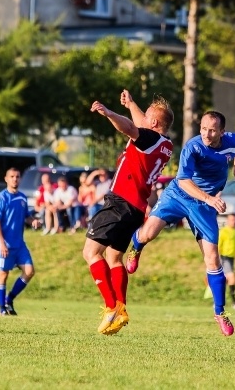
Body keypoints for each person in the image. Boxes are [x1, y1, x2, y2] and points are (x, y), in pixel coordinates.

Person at [125, 110, 235, 336]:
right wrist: (210, 197)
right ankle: (136, 246)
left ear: (222, 132)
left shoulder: (233, 140)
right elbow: (184, 180)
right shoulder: (193, 147)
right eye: (203, 129)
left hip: (203, 206)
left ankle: (220, 312)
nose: (207, 134)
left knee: (212, 257)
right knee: (149, 233)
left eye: (212, 130)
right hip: (179, 195)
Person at [83, 90, 174, 335]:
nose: (142, 117)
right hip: (135, 209)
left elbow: (130, 128)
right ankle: (121, 308)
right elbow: (140, 123)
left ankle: (111, 306)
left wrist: (109, 112)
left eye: (148, 116)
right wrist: (132, 103)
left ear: (154, 123)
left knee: (90, 252)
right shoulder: (165, 144)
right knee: (113, 258)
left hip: (120, 202)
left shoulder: (147, 137)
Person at [0, 167, 41, 316]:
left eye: (17, 176)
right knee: (3, 274)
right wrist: (1, 243)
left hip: (19, 244)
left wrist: (33, 221)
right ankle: (2, 308)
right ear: (6, 179)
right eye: (12, 176)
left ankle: (9, 299)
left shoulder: (22, 197)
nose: (15, 179)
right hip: (4, 244)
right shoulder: (1, 198)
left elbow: (26, 216)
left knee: (29, 271)